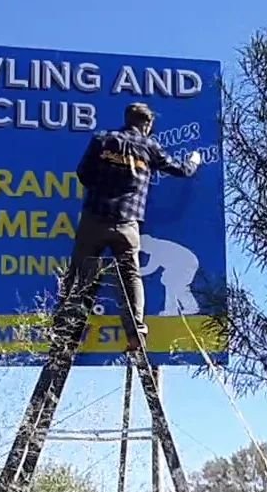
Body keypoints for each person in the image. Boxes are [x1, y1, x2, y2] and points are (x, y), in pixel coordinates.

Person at [56, 103, 200, 350]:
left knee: (81, 272)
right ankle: (136, 333)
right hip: (128, 224)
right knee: (131, 276)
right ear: (148, 124)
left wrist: (102, 188)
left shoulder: (103, 139)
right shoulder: (149, 146)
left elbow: (83, 173)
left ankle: (68, 330)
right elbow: (181, 170)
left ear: (127, 119)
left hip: (95, 218)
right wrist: (194, 160)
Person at [139, 234, 200, 316]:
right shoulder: (157, 247)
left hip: (186, 263)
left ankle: (172, 310)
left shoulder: (158, 249)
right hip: (188, 263)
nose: (144, 251)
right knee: (178, 286)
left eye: (143, 249)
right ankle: (190, 307)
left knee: (171, 283)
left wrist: (134, 272)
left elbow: (150, 269)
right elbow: (149, 269)